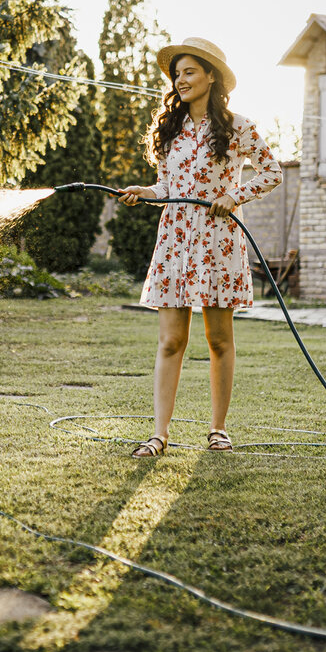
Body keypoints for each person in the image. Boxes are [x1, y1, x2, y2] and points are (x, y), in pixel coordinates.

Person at [118, 37, 283, 457]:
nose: (181, 80)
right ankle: (159, 434)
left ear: (212, 76)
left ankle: (218, 429)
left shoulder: (237, 125)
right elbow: (169, 187)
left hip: (218, 240)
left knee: (218, 340)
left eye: (189, 72)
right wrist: (147, 191)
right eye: (177, 74)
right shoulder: (169, 130)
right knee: (171, 341)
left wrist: (235, 195)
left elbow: (273, 172)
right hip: (175, 240)